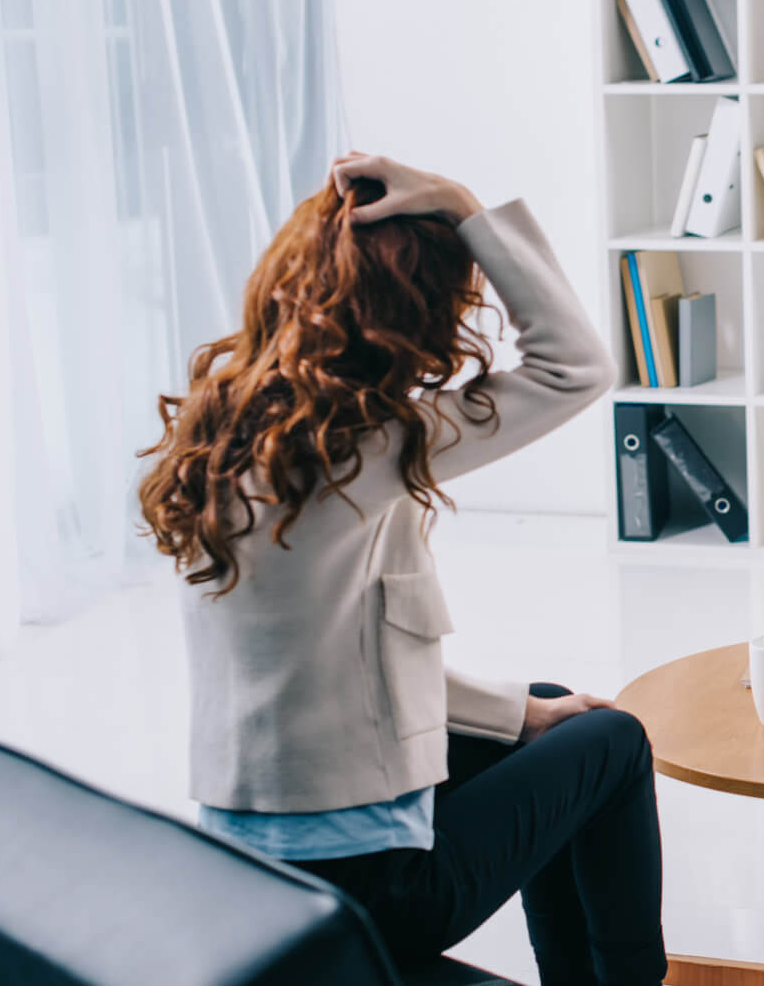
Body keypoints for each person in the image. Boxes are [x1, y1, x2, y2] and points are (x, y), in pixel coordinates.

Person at [137, 155, 663, 985]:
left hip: (248, 871)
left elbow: (352, 658)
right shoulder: (364, 441)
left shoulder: (223, 431)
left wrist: (519, 714)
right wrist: (463, 206)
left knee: (552, 715)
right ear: (411, 315)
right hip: (374, 888)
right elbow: (576, 368)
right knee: (614, 740)